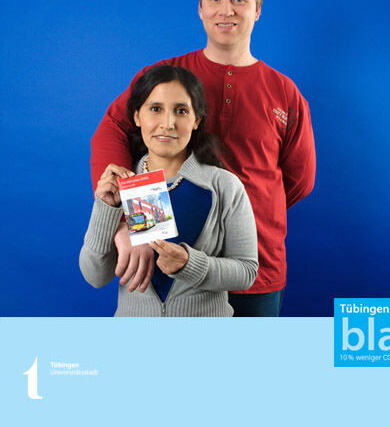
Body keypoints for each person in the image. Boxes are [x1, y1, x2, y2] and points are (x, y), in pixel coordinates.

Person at [91, 0, 316, 317]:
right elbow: (112, 131)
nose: (226, 10)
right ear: (200, 8)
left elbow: (299, 181)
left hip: (256, 268)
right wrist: (137, 220)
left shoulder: (285, 93)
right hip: (170, 261)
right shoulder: (166, 77)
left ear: (257, 10)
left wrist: (235, 215)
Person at [80, 65, 258, 317]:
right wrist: (105, 209)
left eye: (181, 111)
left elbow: (247, 272)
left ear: (196, 120)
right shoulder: (123, 186)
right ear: (137, 116)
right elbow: (95, 276)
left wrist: (189, 264)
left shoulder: (224, 185)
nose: (168, 123)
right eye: (155, 109)